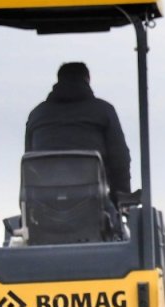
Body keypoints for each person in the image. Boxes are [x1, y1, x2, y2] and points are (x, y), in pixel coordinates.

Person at [25, 62, 132, 203]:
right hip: (94, 205)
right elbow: (119, 160)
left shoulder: (37, 115)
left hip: (45, 206)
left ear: (58, 80)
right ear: (87, 79)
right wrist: (120, 199)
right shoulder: (103, 111)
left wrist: (27, 206)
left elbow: (29, 165)